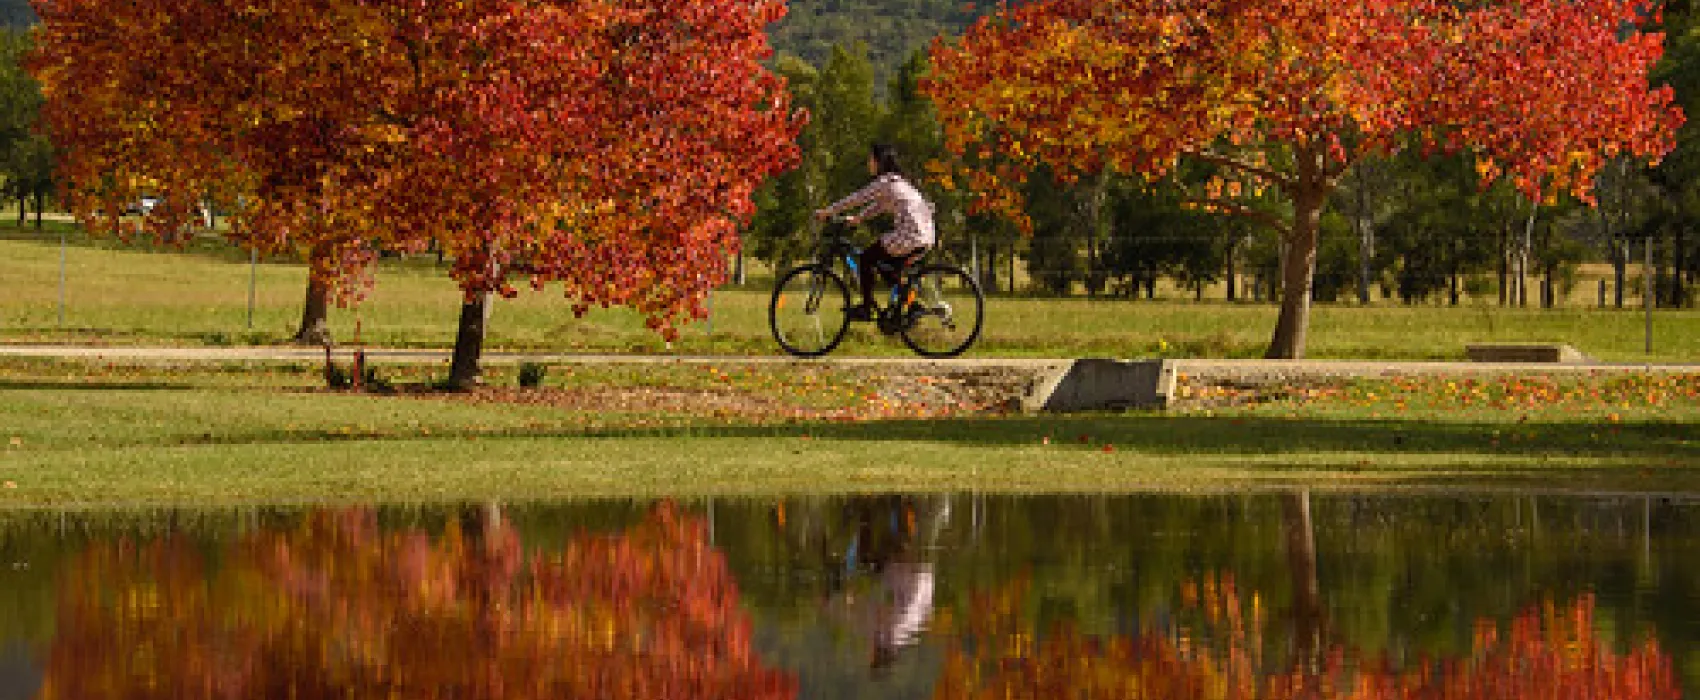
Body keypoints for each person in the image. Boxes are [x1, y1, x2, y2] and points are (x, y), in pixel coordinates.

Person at [814, 144, 936, 321]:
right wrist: (859, 219)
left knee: (866, 258)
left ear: (880, 162)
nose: (868, 163)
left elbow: (858, 198)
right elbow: (880, 206)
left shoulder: (885, 182)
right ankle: (912, 305)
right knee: (886, 268)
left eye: (870, 159)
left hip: (910, 235)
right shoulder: (899, 182)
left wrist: (828, 212)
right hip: (925, 236)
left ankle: (866, 308)